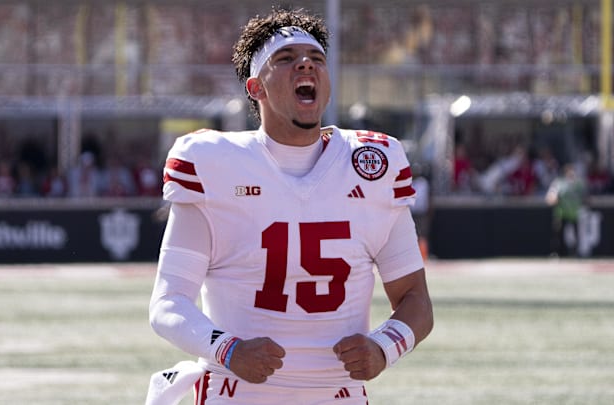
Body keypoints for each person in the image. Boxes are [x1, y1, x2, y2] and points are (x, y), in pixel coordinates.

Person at [147, 7, 433, 405]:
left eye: (316, 59)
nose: (306, 65)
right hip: (236, 395)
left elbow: (415, 300)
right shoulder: (214, 163)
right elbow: (167, 302)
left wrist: (386, 346)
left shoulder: (371, 164)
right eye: (285, 59)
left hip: (339, 396)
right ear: (255, 88)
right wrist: (227, 349)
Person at [545, 163, 588, 257]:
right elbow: (550, 197)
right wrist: (553, 198)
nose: (571, 173)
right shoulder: (559, 183)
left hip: (574, 214)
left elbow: (585, 197)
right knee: (558, 235)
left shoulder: (578, 184)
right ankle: (556, 253)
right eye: (569, 171)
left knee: (576, 236)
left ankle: (576, 253)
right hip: (561, 213)